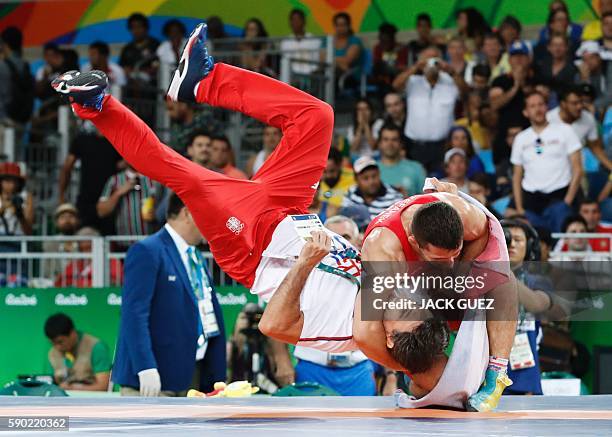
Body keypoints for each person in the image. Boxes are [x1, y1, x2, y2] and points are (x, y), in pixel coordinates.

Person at [53, 23, 505, 411]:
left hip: (253, 245)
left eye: (403, 313)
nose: (403, 299)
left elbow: (272, 326)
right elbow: (489, 275)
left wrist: (307, 264)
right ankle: (204, 79)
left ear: (392, 338)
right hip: (290, 210)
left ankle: (96, 106)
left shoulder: (354, 333)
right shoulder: (409, 295)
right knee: (317, 116)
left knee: (182, 173)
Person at [112, 193, 226, 396]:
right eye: (208, 215)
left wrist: (215, 374)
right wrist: (145, 367)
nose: (212, 222)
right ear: (187, 213)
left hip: (192, 374)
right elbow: (133, 315)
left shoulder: (196, 257)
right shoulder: (147, 251)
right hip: (152, 379)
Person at [293, 215, 378, 396]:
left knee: (363, 424)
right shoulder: (301, 272)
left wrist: (391, 375)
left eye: (345, 237)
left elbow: (386, 328)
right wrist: (282, 360)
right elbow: (280, 316)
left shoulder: (373, 276)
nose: (338, 243)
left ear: (358, 241)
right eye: (331, 237)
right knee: (306, 424)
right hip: (312, 367)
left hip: (358, 370)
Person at [511, 92, 583, 232]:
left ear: (547, 107)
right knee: (535, 248)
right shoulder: (520, 138)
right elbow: (517, 176)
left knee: (560, 245)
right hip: (531, 202)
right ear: (526, 112)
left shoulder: (565, 131)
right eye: (532, 106)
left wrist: (567, 202)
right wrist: (520, 208)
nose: (537, 109)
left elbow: (578, 169)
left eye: (541, 104)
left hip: (560, 198)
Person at [502, 219, 551, 395]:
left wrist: (504, 272)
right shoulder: (483, 277)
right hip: (485, 371)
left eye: (517, 239)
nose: (511, 244)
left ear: (529, 246)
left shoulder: (538, 280)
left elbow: (537, 304)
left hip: (524, 373)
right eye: (506, 239)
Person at [393, 46, 460, 173]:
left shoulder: (450, 81)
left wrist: (451, 71)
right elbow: (396, 85)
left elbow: (466, 91)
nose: (431, 63)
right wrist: (415, 68)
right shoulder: (412, 81)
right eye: (427, 59)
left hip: (443, 145)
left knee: (440, 186)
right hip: (415, 146)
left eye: (434, 58)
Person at [59, 125, 122, 234]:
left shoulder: (117, 140)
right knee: (84, 241)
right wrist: (61, 195)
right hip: (87, 202)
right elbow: (67, 168)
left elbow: (123, 164)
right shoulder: (82, 139)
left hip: (110, 202)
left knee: (109, 242)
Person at [490, 40, 534, 172]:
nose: (518, 59)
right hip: (504, 139)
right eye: (515, 56)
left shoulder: (537, 78)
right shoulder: (500, 81)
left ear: (529, 58)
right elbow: (494, 104)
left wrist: (523, 84)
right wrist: (515, 86)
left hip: (530, 137)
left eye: (522, 55)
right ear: (509, 60)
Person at [547, 86, 612, 173]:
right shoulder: (548, 119)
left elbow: (595, 148)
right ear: (563, 104)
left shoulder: (588, 118)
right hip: (552, 171)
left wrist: (611, 167)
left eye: (581, 102)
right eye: (574, 103)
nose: (580, 106)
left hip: (577, 170)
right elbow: (537, 143)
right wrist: (538, 154)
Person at [44, 313, 111, 391]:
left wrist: (73, 388)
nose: (57, 347)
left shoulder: (96, 347)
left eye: (60, 342)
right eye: (52, 343)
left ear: (72, 333)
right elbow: (52, 385)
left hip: (92, 401)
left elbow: (103, 386)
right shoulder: (52, 353)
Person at [97, 164, 164, 237]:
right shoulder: (115, 180)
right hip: (124, 242)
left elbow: (169, 208)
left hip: (151, 240)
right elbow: (101, 212)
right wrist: (118, 193)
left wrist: (158, 214)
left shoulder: (155, 179)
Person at [54, 226, 123, 287]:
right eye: (82, 247)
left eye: (89, 246)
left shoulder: (111, 261)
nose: (85, 247)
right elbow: (60, 282)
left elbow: (116, 282)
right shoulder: (76, 263)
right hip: (76, 298)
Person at [378, 124, 426, 197]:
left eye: (394, 140)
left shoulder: (417, 168)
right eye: (385, 139)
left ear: (401, 144)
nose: (390, 144)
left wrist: (406, 200)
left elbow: (426, 201)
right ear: (379, 143)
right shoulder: (371, 169)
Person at [280, 8, 321, 82]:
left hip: (311, 77)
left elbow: (317, 61)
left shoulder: (314, 40)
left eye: (298, 19)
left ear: (304, 21)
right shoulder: (285, 42)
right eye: (293, 20)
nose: (295, 22)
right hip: (292, 78)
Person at [119, 13, 159, 81]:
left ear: (146, 28)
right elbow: (122, 68)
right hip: (132, 87)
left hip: (153, 86)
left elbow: (158, 66)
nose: (136, 30)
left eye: (139, 26)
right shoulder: (127, 49)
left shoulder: (156, 45)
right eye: (133, 27)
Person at [576, 40, 612, 114]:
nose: (588, 62)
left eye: (591, 58)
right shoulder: (580, 73)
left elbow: (610, 96)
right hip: (590, 109)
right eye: (585, 59)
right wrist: (584, 80)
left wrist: (593, 106)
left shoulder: (609, 68)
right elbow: (578, 97)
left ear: (599, 57)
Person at [372, 22, 408, 92]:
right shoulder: (378, 48)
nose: (384, 43)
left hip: (397, 79)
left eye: (386, 40)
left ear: (392, 39)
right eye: (382, 40)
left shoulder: (401, 48)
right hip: (381, 81)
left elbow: (402, 67)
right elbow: (376, 65)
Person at [0, 162, 33, 237]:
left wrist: (20, 214)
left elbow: (29, 232)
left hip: (18, 240)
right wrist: (3, 208)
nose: (12, 184)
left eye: (15, 180)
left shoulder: (26, 197)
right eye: (7, 180)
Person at [333, 12, 363, 89]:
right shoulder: (329, 41)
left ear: (348, 26)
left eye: (343, 25)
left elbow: (347, 61)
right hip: (332, 73)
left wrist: (332, 60)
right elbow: (322, 59)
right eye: (338, 25)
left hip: (350, 76)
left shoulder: (355, 41)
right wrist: (340, 62)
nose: (340, 28)